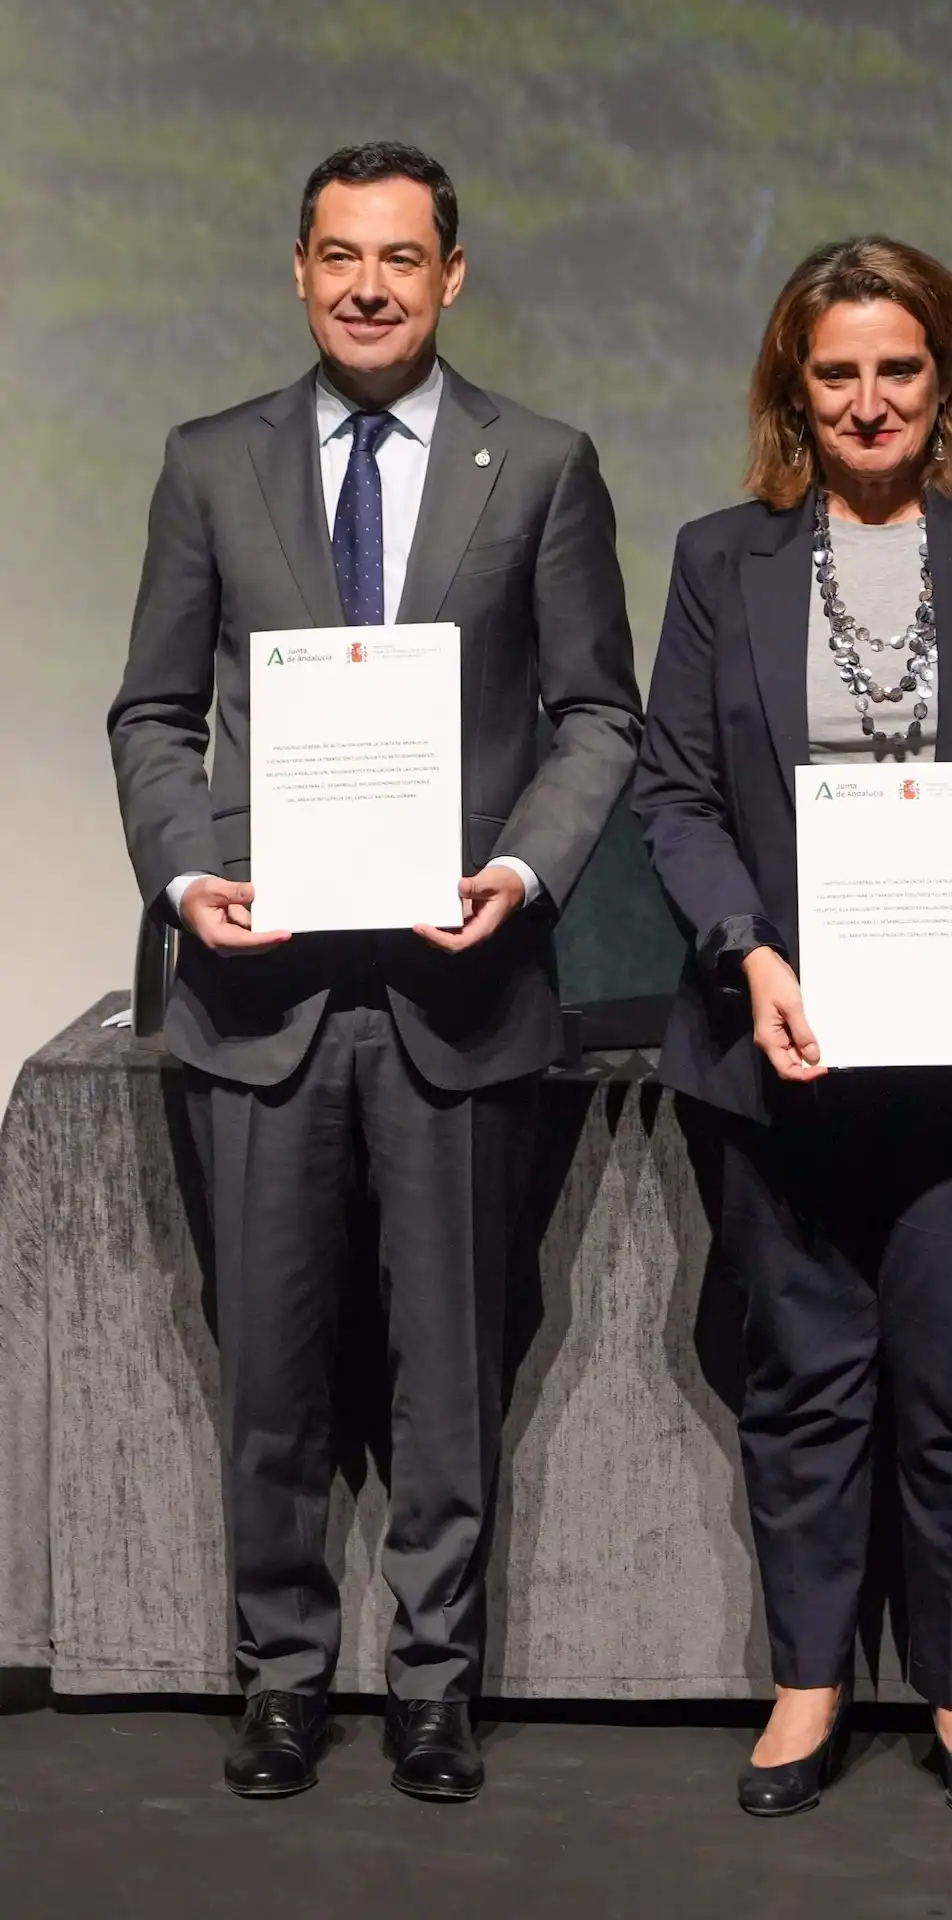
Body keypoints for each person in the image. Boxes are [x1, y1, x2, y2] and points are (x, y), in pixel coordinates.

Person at [108, 142, 641, 1801]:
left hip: (455, 987)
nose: (368, 285)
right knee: (269, 1373)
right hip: (259, 1000)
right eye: (340, 254)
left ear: (453, 275)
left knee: (447, 1372)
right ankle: (278, 1679)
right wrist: (191, 872)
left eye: (401, 258)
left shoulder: (540, 463)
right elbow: (150, 713)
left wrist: (525, 867)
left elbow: (598, 713)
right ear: (297, 268)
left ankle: (431, 1684)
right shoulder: (210, 464)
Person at [633, 235, 952, 1819]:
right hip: (793, 1049)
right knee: (805, 1378)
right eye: (834, 371)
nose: (866, 399)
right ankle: (808, 1686)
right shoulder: (724, 558)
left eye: (896, 367)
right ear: (794, 385)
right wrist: (744, 951)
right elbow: (681, 796)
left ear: (943, 377)